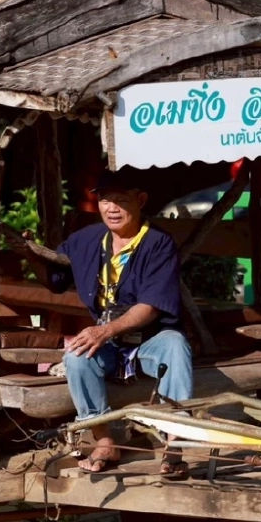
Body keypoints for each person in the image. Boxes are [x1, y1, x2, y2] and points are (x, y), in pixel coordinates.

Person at [31, 166, 193, 472]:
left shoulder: (159, 243)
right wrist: (26, 251)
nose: (112, 208)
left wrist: (105, 331)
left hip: (150, 340)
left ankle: (175, 444)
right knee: (77, 354)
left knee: (175, 345)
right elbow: (54, 278)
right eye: (105, 199)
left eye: (121, 199)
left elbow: (151, 307)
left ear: (141, 200)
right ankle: (104, 440)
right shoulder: (87, 239)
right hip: (108, 341)